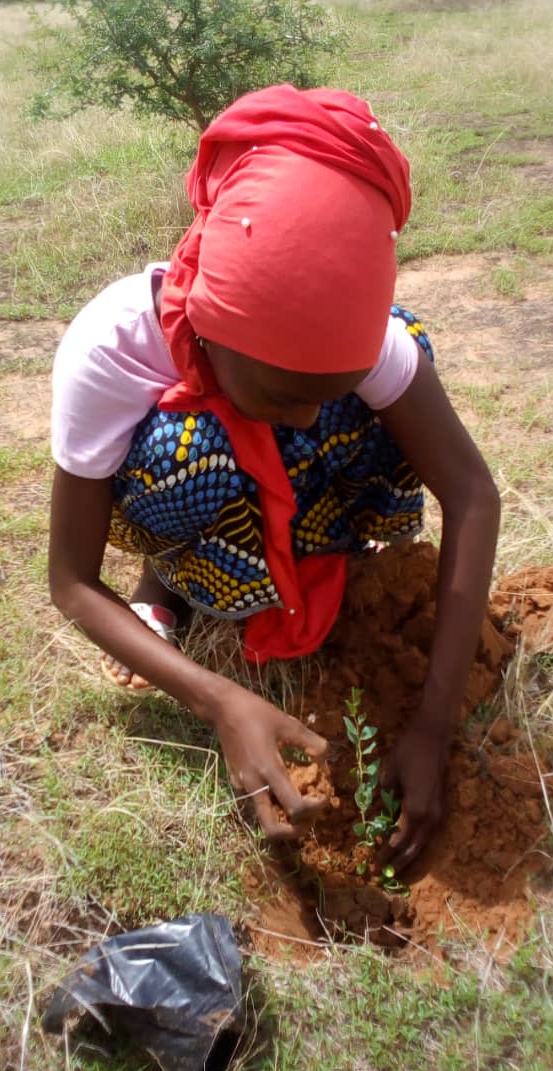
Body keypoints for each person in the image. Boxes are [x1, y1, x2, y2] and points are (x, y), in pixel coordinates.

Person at [48, 85, 500, 869]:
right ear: (213, 331)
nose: (302, 421)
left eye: (323, 390)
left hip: (289, 485)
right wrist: (217, 698)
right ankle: (173, 584)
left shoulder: (358, 343)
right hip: (192, 489)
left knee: (393, 385)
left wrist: (434, 723)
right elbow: (71, 582)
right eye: (285, 394)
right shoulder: (112, 349)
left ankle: (327, 565)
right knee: (191, 448)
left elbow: (471, 493)